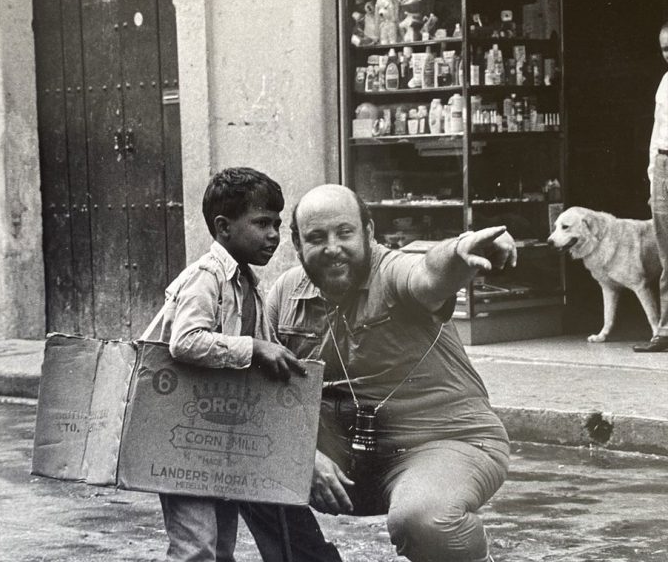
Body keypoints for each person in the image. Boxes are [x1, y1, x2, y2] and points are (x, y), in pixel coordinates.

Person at [240, 184, 516, 562]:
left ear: (369, 232)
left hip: (440, 444)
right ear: (297, 244)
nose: (333, 247)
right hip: (348, 466)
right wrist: (302, 455)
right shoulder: (285, 294)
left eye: (345, 232)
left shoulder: (393, 271)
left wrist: (459, 252)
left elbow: (428, 273)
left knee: (423, 518)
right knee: (237, 457)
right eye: (317, 238)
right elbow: (266, 393)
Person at [158, 167, 306, 562]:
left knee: (221, 545)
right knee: (196, 546)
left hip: (215, 433)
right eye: (261, 223)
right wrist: (254, 348)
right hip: (180, 434)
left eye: (277, 223)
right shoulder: (207, 278)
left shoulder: (247, 284)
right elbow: (185, 342)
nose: (273, 234)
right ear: (224, 227)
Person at [634, 20, 668, 352]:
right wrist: (652, 177)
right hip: (664, 166)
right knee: (665, 250)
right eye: (664, 49)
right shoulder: (665, 82)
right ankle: (665, 331)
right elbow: (657, 133)